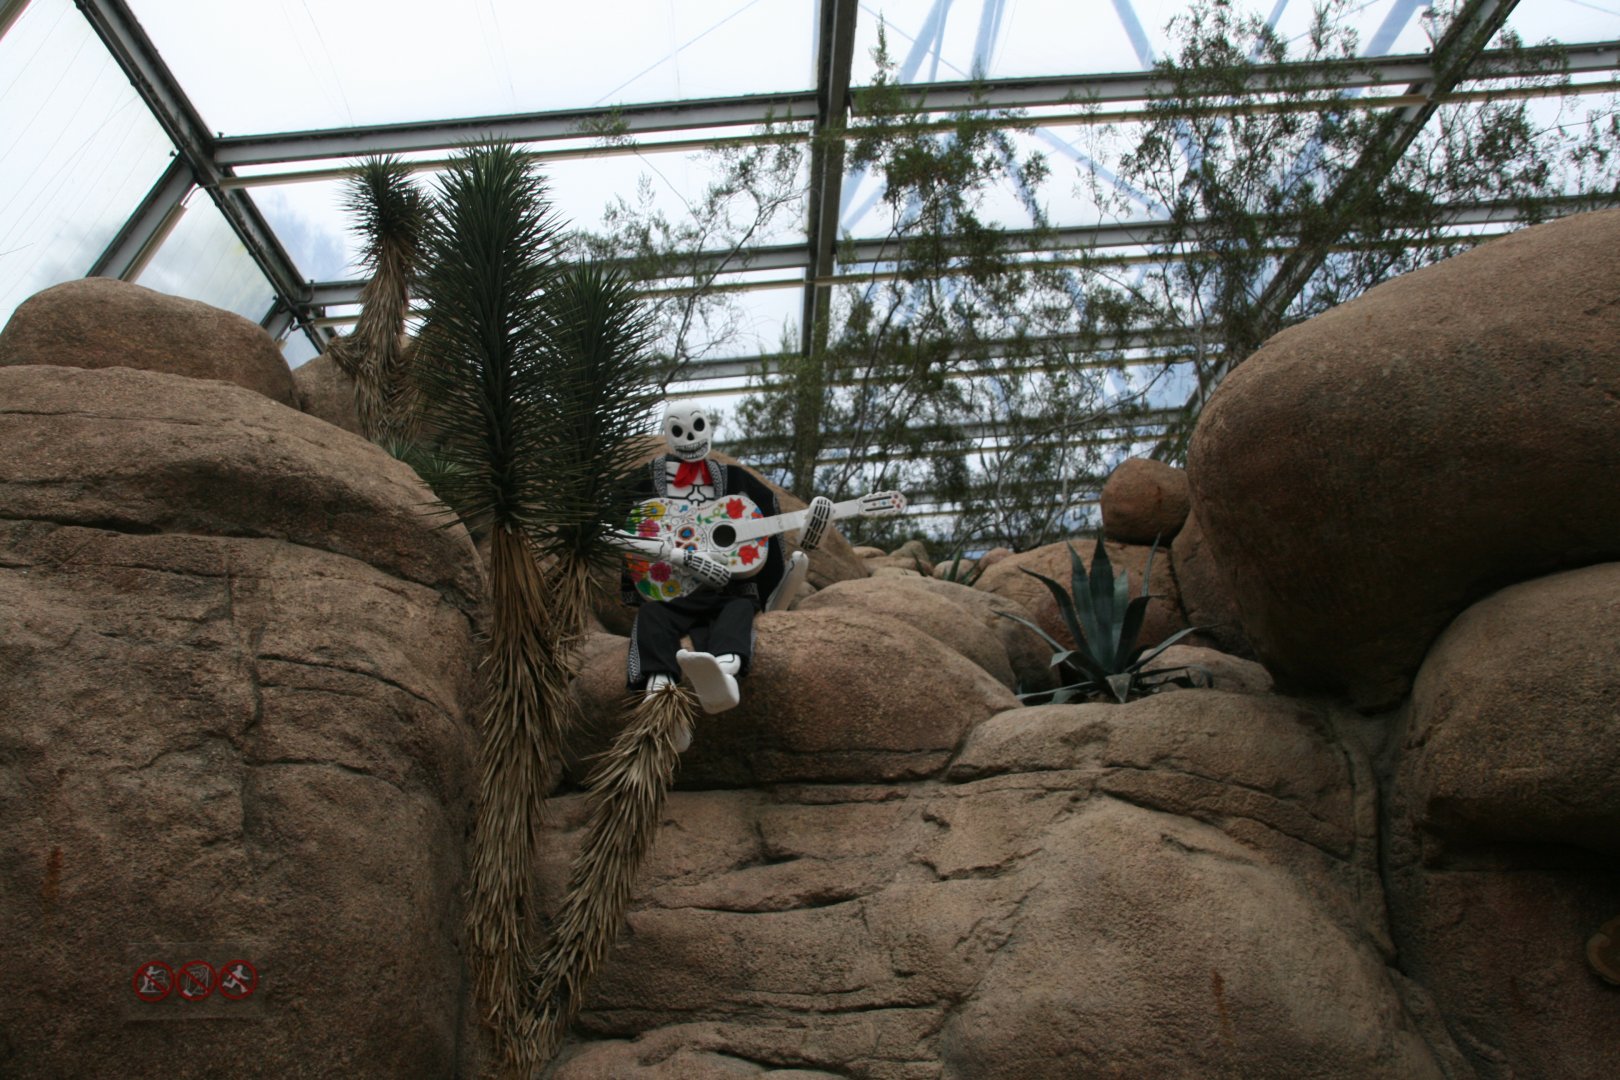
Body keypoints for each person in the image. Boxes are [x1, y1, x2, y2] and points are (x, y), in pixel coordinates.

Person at [622, 403, 831, 724]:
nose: (690, 437)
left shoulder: (739, 482)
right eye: (678, 430)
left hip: (725, 589)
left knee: (738, 610)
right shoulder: (642, 482)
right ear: (667, 435)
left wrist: (808, 529)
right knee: (651, 617)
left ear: (709, 428)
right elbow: (615, 530)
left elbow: (768, 520)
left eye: (697, 427)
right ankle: (660, 696)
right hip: (670, 589)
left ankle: (723, 672)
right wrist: (675, 554)